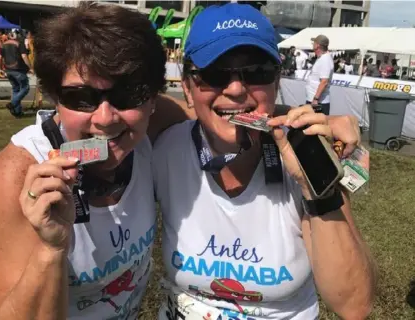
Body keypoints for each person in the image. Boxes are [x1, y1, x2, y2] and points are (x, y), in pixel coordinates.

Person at [0, 3, 365, 320]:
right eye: (80, 98)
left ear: (153, 97)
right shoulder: (23, 174)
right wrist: (49, 251)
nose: (106, 118)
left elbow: (224, 114)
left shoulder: (152, 127)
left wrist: (314, 127)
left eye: (129, 94)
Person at [153, 4, 375, 320]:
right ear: (187, 88)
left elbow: (354, 306)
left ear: (276, 83)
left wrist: (316, 188)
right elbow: (117, 103)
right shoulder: (165, 146)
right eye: (215, 74)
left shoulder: (304, 157)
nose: (235, 89)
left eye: (257, 72)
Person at [1, 31, 32, 118]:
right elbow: (24, 56)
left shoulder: (4, 44)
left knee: (16, 89)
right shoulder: (19, 44)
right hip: (18, 69)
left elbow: (0, 57)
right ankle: (13, 104)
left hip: (8, 69)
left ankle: (17, 112)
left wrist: (1, 68)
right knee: (25, 88)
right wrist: (30, 67)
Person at [305, 34, 334, 115]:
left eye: (313, 43)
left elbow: (324, 81)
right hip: (314, 100)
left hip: (318, 102)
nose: (312, 44)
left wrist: (315, 99)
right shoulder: (322, 58)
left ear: (317, 45)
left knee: (316, 126)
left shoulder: (325, 59)